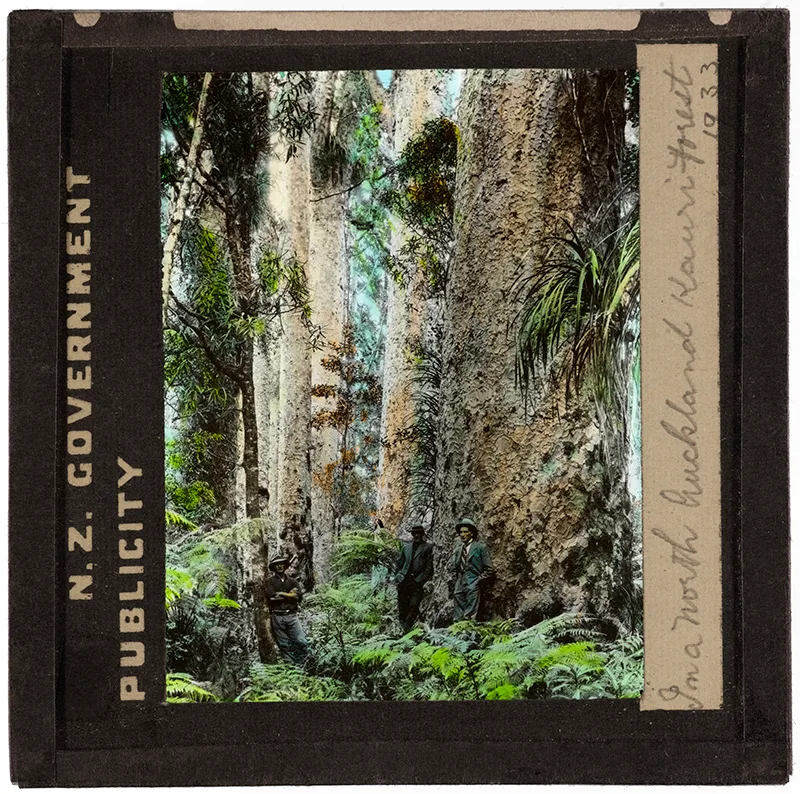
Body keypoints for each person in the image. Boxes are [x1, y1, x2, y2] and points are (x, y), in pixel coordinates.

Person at [265, 555, 309, 665]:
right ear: (273, 567)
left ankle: (304, 665)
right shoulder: (270, 582)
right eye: (276, 565)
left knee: (301, 640)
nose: (279, 566)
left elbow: (298, 597)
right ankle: (290, 668)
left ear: (285, 566)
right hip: (277, 616)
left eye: (281, 564)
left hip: (292, 616)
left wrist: (282, 594)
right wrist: (290, 595)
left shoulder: (292, 581)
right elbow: (272, 598)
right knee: (284, 644)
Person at [449, 518, 494, 621]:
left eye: (465, 532)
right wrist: (457, 582)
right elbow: (454, 568)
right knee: (458, 614)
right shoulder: (458, 550)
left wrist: (477, 582)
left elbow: (489, 570)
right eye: (461, 532)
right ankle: (457, 627)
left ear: (472, 533)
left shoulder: (480, 548)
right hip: (460, 584)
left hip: (473, 583)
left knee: (470, 615)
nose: (462, 535)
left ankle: (468, 627)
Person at [394, 524, 434, 630]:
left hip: (417, 581)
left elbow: (429, 567)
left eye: (419, 533)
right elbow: (400, 563)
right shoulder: (406, 547)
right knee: (402, 605)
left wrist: (422, 580)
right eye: (415, 533)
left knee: (414, 604)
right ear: (412, 534)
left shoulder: (427, 547)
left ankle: (408, 626)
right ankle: (402, 628)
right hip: (403, 580)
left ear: (422, 534)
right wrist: (398, 575)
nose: (417, 535)